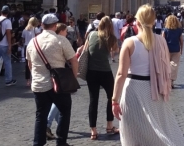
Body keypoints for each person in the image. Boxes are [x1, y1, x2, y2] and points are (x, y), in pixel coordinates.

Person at [111, 5, 184, 146]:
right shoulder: (160, 40)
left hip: (133, 89)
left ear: (137, 22)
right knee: (157, 130)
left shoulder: (129, 42)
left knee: (133, 133)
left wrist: (114, 100)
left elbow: (121, 74)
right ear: (154, 22)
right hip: (155, 89)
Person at [27, 13, 78, 146]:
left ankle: (38, 143)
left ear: (42, 25)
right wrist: (73, 76)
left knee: (40, 115)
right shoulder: (60, 40)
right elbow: (73, 59)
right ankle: (61, 142)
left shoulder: (33, 41)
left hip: (39, 84)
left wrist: (35, 75)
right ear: (55, 26)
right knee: (64, 111)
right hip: (59, 84)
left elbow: (29, 63)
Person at [84, 16, 120, 140]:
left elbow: (86, 48)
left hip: (91, 72)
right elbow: (115, 50)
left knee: (93, 100)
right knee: (111, 97)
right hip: (105, 71)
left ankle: (93, 130)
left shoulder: (91, 34)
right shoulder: (111, 38)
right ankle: (110, 125)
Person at [0, 5, 16, 89]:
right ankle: (8, 80)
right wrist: (9, 45)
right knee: (7, 62)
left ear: (1, 12)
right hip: (4, 45)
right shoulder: (7, 21)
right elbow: (8, 34)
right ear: (8, 13)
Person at [162, 15, 184, 88]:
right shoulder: (179, 30)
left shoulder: (165, 30)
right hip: (176, 49)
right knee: (174, 65)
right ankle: (171, 81)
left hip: (167, 50)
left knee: (166, 65)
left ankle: (166, 79)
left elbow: (162, 40)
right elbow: (181, 41)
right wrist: (182, 49)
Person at [22, 17, 40, 86]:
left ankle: (27, 80)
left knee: (27, 64)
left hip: (26, 47)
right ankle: (34, 78)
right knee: (35, 63)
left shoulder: (25, 30)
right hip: (34, 46)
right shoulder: (36, 29)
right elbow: (38, 38)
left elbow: (23, 40)